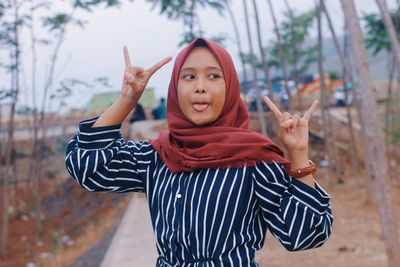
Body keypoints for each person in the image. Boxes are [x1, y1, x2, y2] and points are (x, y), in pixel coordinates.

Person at [65, 38, 333, 267]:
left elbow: (304, 235)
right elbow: (88, 167)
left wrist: (298, 154)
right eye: (189, 76)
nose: (200, 86)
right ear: (176, 88)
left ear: (230, 88)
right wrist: (127, 101)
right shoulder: (158, 156)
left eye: (214, 76)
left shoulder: (254, 159)